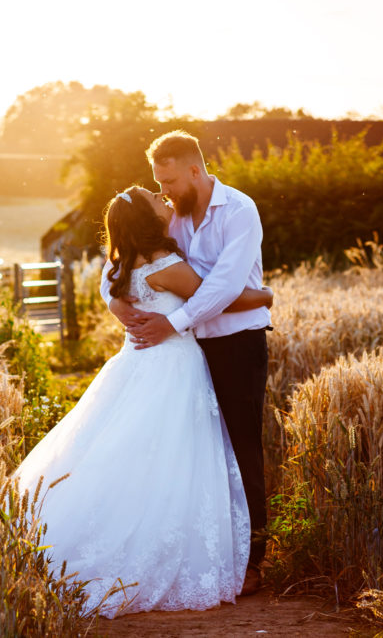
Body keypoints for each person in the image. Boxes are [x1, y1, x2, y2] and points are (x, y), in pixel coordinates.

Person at [12, 185, 273, 617]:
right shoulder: (165, 265)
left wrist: (114, 303)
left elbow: (109, 285)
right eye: (157, 201)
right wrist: (265, 296)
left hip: (136, 365)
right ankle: (160, 548)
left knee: (130, 453)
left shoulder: (123, 264)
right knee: (173, 455)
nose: (165, 201)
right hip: (172, 368)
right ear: (149, 221)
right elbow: (217, 297)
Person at [105, 130, 271, 597]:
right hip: (188, 353)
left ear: (195, 169)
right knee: (196, 452)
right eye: (159, 183)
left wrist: (170, 323)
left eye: (171, 181)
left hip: (237, 344)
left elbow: (219, 288)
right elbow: (119, 261)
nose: (165, 193)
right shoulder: (168, 218)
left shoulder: (239, 211)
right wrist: (114, 303)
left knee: (242, 449)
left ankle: (253, 560)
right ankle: (204, 552)